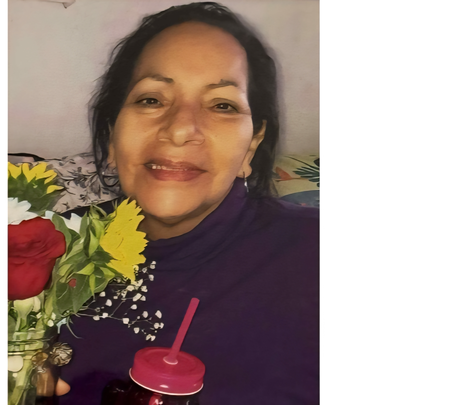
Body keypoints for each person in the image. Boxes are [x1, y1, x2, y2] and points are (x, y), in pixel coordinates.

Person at [55, 3, 319, 404]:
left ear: (252, 144)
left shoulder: (316, 255)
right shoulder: (50, 247)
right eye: (151, 100)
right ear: (112, 136)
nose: (180, 129)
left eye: (222, 105)